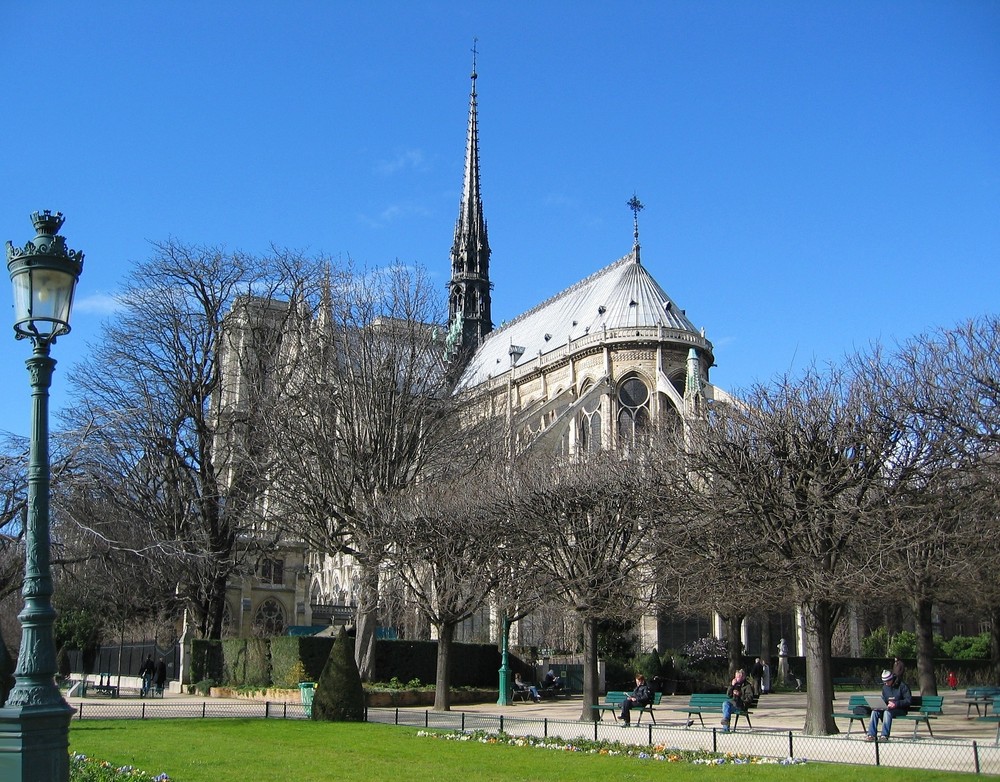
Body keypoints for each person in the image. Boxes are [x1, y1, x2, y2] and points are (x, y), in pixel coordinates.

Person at [867, 669, 912, 741]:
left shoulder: (902, 686)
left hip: (901, 709)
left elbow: (908, 700)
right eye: (884, 682)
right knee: (875, 712)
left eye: (887, 681)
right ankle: (871, 735)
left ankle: (884, 736)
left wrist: (896, 704)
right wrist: (879, 705)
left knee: (887, 712)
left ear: (892, 679)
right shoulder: (885, 687)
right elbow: (885, 699)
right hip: (888, 708)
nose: (886, 683)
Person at [721, 669, 751, 733]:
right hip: (733, 704)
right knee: (725, 704)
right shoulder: (734, 684)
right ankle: (726, 724)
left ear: (743, 677)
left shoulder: (747, 686)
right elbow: (729, 695)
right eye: (736, 677)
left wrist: (739, 694)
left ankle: (725, 728)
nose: (736, 679)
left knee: (726, 707)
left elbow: (749, 698)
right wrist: (731, 686)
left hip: (741, 705)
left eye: (738, 677)